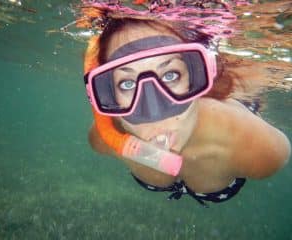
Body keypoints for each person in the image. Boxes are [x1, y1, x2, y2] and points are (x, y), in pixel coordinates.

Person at [82, 14, 291, 206]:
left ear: (196, 74)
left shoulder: (260, 150)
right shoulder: (106, 136)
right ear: (108, 94)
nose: (155, 112)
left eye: (171, 75)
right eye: (127, 84)